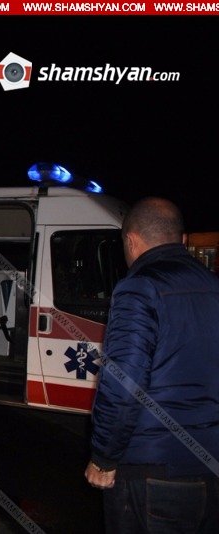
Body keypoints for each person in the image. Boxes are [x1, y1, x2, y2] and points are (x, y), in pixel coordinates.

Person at [85, 197, 219, 533]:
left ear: (130, 241)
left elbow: (123, 383)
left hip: (152, 470)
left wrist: (104, 458)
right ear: (183, 239)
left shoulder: (139, 287)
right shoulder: (213, 286)